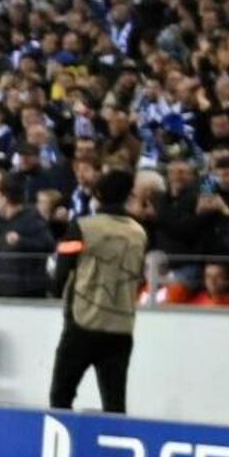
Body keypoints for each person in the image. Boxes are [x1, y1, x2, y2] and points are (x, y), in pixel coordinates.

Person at [49, 174, 153, 412]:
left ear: (98, 196)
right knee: (115, 403)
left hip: (83, 321)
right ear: (128, 196)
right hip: (121, 326)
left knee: (61, 396)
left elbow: (62, 270)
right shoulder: (139, 233)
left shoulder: (83, 227)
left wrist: (56, 289)